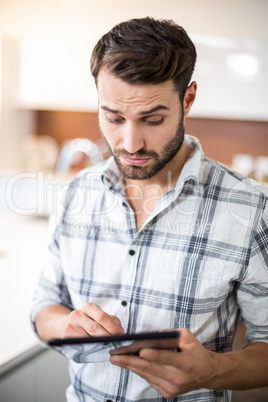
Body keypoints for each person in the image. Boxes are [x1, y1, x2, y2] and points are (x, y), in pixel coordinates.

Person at [31, 17, 268, 402]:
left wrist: (213, 369)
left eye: (152, 119)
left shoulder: (251, 208)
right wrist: (67, 325)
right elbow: (44, 306)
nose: (131, 143)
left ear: (187, 99)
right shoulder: (76, 193)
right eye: (113, 117)